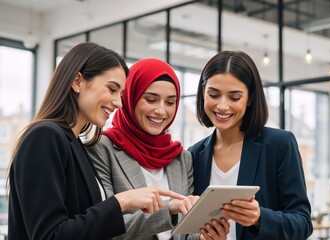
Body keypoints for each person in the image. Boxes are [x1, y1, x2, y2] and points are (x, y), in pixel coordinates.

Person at [7, 42, 183, 240]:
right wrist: (121, 202)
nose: (118, 102)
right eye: (111, 89)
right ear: (77, 81)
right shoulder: (45, 137)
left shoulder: (77, 146)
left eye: (121, 94)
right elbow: (49, 236)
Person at [87, 58, 228, 240]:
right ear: (129, 98)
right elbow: (104, 227)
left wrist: (204, 238)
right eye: (151, 100)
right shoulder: (101, 148)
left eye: (170, 103)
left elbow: (184, 233)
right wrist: (167, 209)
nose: (161, 111)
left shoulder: (181, 158)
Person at [189, 50, 313, 239]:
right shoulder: (195, 154)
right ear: (203, 95)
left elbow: (303, 224)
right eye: (214, 95)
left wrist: (259, 217)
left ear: (250, 99)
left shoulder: (279, 145)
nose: (222, 106)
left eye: (234, 97)